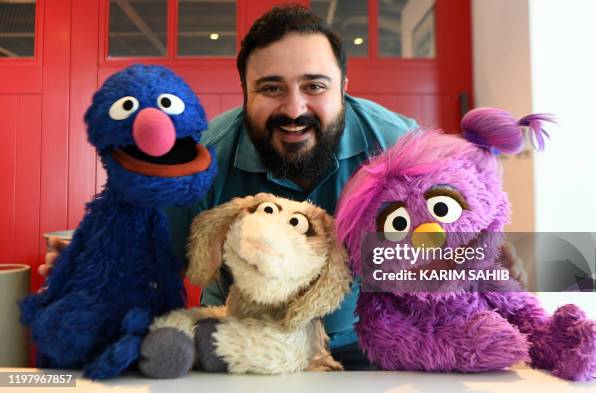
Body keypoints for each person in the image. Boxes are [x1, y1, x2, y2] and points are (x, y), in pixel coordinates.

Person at [43, 5, 525, 370]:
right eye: (272, 88)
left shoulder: (400, 145)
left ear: (343, 86)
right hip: (240, 350)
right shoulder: (203, 159)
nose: (294, 109)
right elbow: (148, 259)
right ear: (245, 92)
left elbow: (460, 238)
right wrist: (87, 269)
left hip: (375, 350)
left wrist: (488, 266)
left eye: (315, 86)